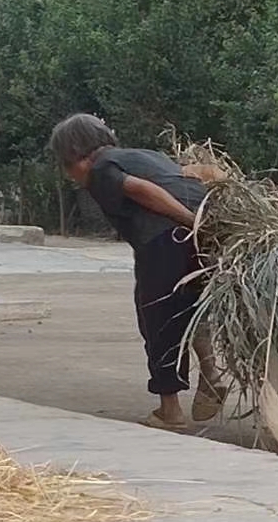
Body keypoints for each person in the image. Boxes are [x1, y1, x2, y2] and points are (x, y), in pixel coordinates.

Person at [48, 114, 223, 431]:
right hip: (199, 242)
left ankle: (169, 409)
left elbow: (143, 191)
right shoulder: (146, 155)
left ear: (75, 153)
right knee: (191, 311)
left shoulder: (101, 169)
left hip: (165, 240)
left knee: (157, 319)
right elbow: (199, 176)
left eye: (65, 164)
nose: (69, 174)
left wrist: (190, 222)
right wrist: (203, 227)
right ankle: (210, 376)